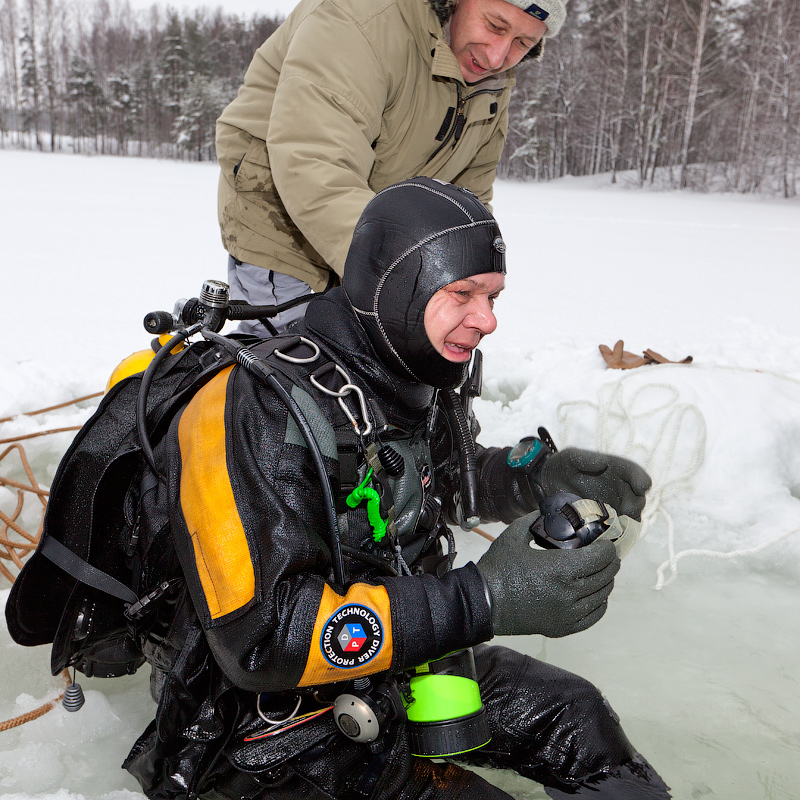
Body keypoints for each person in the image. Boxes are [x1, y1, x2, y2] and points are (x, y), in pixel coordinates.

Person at [118, 177, 670, 800]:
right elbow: (265, 638)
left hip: (394, 664)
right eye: (463, 293)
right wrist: (480, 600)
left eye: (492, 296)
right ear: (396, 285)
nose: (486, 320)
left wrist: (533, 476)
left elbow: (429, 486)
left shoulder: (407, 369)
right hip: (262, 732)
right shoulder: (256, 410)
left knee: (577, 716)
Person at [216, 0, 568, 334]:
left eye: (523, 42)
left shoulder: (491, 72)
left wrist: (466, 279)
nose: (497, 56)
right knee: (297, 364)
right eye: (494, 25)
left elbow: (468, 193)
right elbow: (313, 161)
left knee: (386, 366)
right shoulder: (362, 18)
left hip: (386, 231)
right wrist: (408, 277)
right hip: (282, 215)